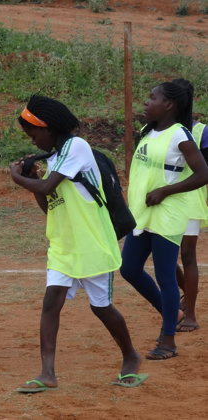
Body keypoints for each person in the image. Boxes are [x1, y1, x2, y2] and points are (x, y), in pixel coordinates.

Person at [9, 95, 147, 392]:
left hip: (92, 243)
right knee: (51, 303)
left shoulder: (77, 147)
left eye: (33, 133)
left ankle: (131, 355)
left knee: (102, 307)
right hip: (64, 244)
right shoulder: (55, 158)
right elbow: (49, 204)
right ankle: (47, 373)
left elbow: (48, 186)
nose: (32, 140)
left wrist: (18, 178)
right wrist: (33, 178)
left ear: (48, 127)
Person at [120, 79, 208, 360]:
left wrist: (165, 191)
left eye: (152, 97)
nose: (146, 102)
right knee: (129, 269)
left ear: (168, 104)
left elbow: (203, 174)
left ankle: (168, 340)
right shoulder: (148, 131)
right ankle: (173, 313)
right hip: (143, 212)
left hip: (168, 213)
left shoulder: (180, 135)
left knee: (166, 275)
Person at [172, 79, 208, 333]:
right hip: (163, 201)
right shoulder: (157, 129)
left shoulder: (201, 132)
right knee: (162, 255)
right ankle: (188, 293)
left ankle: (191, 314)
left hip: (191, 200)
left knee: (187, 254)